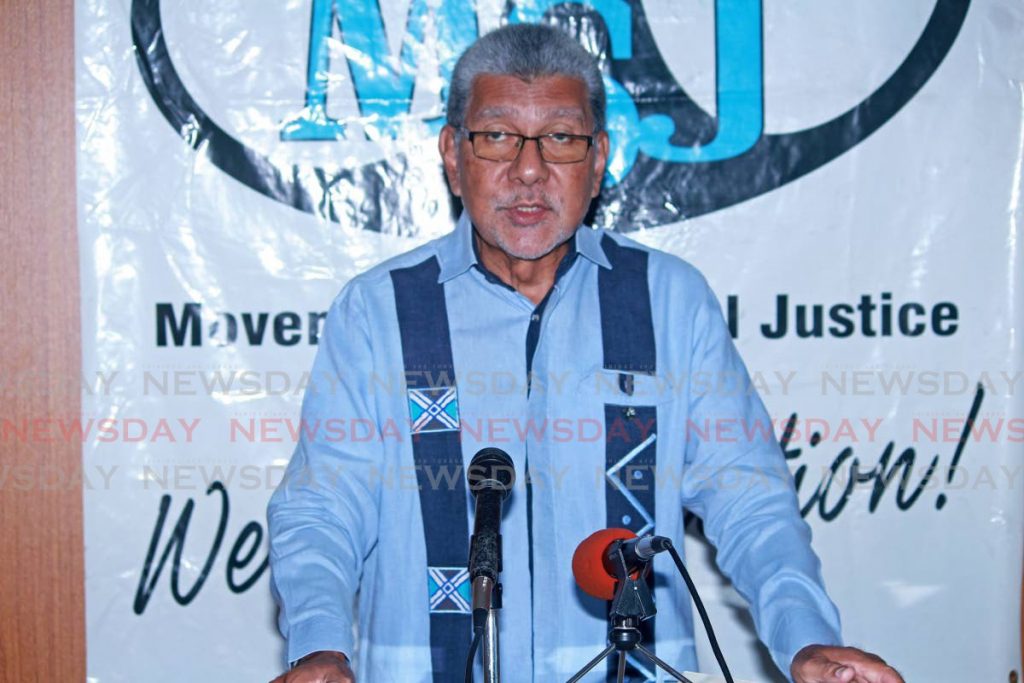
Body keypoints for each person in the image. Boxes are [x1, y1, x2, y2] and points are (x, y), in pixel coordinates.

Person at [268, 23, 904, 683]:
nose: (529, 170)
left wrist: (804, 638)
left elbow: (749, 498)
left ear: (598, 160)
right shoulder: (379, 310)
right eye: (497, 136)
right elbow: (321, 505)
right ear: (452, 155)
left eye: (561, 139)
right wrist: (319, 646)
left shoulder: (667, 299)